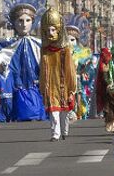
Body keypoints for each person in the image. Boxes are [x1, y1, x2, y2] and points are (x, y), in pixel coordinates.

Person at [0, 0, 46, 121]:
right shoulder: (7, 44)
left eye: (28, 20)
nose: (24, 24)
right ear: (14, 22)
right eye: (20, 20)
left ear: (33, 22)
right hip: (16, 87)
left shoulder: (40, 44)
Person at [39, 8, 77, 141]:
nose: (50, 33)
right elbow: (43, 69)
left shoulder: (65, 50)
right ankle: (55, 134)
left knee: (64, 112)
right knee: (53, 111)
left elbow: (70, 70)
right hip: (51, 85)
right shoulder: (44, 50)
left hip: (64, 85)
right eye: (48, 30)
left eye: (53, 30)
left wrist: (72, 88)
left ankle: (64, 131)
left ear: (59, 30)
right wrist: (43, 85)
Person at [96, 48, 114, 131]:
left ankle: (113, 123)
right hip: (105, 88)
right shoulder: (102, 64)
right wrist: (109, 83)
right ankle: (109, 123)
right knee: (108, 107)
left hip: (113, 87)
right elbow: (104, 75)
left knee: (113, 106)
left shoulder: (111, 63)